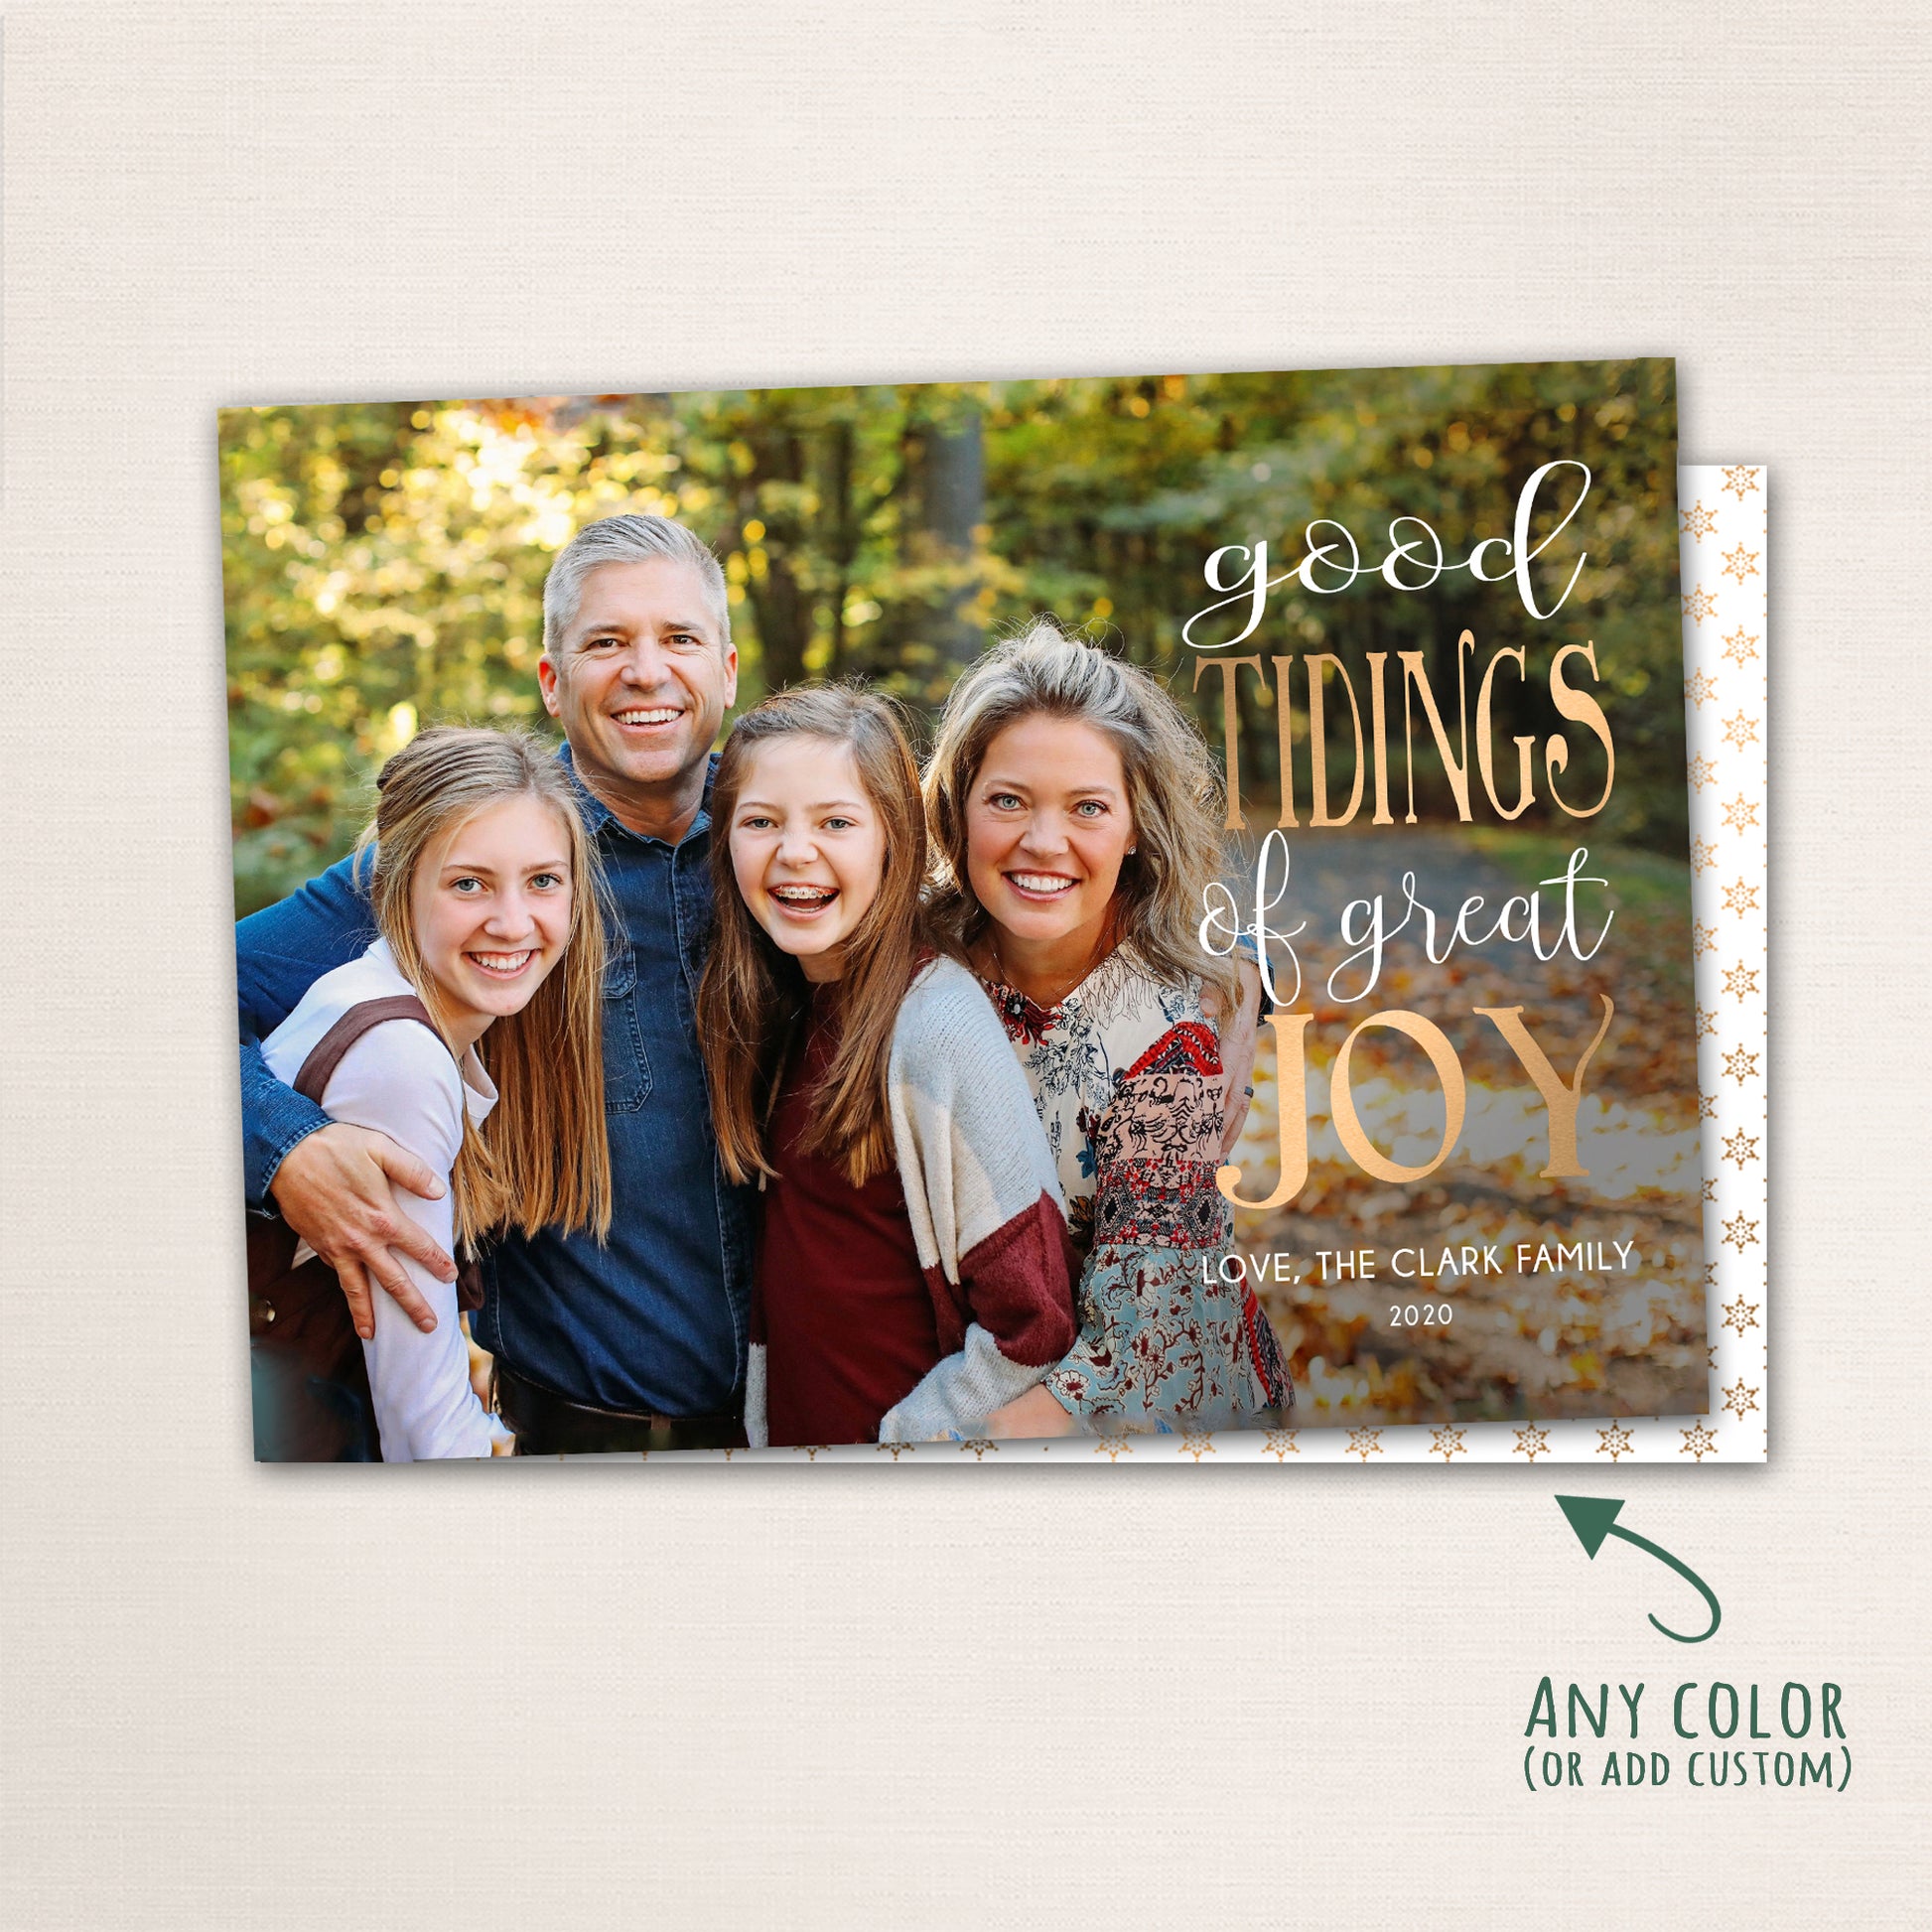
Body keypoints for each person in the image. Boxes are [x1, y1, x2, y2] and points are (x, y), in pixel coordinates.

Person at [238, 514, 757, 1452]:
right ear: (553, 683)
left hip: (798, 1436)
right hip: (567, 1441)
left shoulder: (785, 852)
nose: (647, 671)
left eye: (679, 638)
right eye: (607, 643)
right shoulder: (467, 853)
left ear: (725, 670)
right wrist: (285, 1148)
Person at [923, 621, 1296, 1436]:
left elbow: (1143, 1355)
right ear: (958, 809)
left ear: (1136, 828)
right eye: (1008, 800)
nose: (1043, 841)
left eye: (1088, 807)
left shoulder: (1170, 1047)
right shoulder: (912, 969)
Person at [696, 686, 1077, 1447]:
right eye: (761, 822)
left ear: (891, 841)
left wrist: (904, 1442)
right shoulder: (792, 1003)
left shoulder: (935, 1025)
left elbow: (1035, 1323)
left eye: (836, 822)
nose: (795, 851)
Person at [253, 728, 613, 1459]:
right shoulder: (400, 1060)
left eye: (543, 881)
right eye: (468, 883)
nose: (512, 923)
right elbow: (425, 1428)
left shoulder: (390, 1002)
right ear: (392, 886)